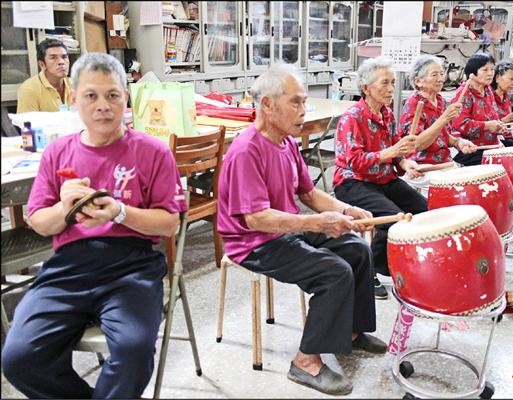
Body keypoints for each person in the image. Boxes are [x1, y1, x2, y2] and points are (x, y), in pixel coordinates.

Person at [2, 53, 187, 398]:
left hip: (131, 267)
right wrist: (64, 207)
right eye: (91, 95)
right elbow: (40, 222)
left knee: (133, 351)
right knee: (19, 358)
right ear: (74, 99)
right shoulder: (57, 153)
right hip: (67, 267)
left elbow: (169, 223)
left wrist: (119, 212)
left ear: (125, 98)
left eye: (112, 95)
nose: (103, 105)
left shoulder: (153, 152)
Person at [217, 62, 388, 396]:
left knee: (357, 249)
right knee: (334, 272)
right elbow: (256, 220)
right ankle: (305, 362)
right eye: (295, 102)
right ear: (267, 104)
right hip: (253, 242)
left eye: (303, 102)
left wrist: (347, 209)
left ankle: (352, 332)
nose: (303, 111)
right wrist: (316, 223)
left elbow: (308, 193)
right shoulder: (246, 150)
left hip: (285, 229)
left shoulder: (287, 142)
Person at [332, 56, 428, 301]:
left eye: (393, 83)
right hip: (353, 182)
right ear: (366, 88)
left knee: (424, 211)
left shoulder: (386, 114)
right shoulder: (352, 117)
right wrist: (391, 153)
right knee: (393, 219)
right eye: (384, 83)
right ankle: (371, 270)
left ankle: (395, 262)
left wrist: (405, 162)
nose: (390, 89)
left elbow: (395, 149)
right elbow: (355, 161)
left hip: (383, 179)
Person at [399, 54, 478, 166]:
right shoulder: (414, 104)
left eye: (441, 73)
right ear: (418, 81)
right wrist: (444, 118)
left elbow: (441, 136)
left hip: (444, 162)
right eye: (434, 74)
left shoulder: (439, 100)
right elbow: (417, 144)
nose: (441, 79)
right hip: (420, 165)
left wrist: (458, 142)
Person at [450, 52, 509, 166]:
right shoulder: (464, 93)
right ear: (472, 72)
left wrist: (499, 127)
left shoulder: (487, 90)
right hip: (470, 149)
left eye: (492, 69)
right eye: (485, 70)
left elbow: (493, 117)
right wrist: (487, 126)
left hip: (489, 146)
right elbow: (460, 124)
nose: (490, 73)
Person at [17, 38, 73, 113]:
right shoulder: (29, 89)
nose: (61, 62)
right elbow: (26, 123)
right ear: (42, 64)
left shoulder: (76, 85)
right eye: (53, 58)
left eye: (64, 57)